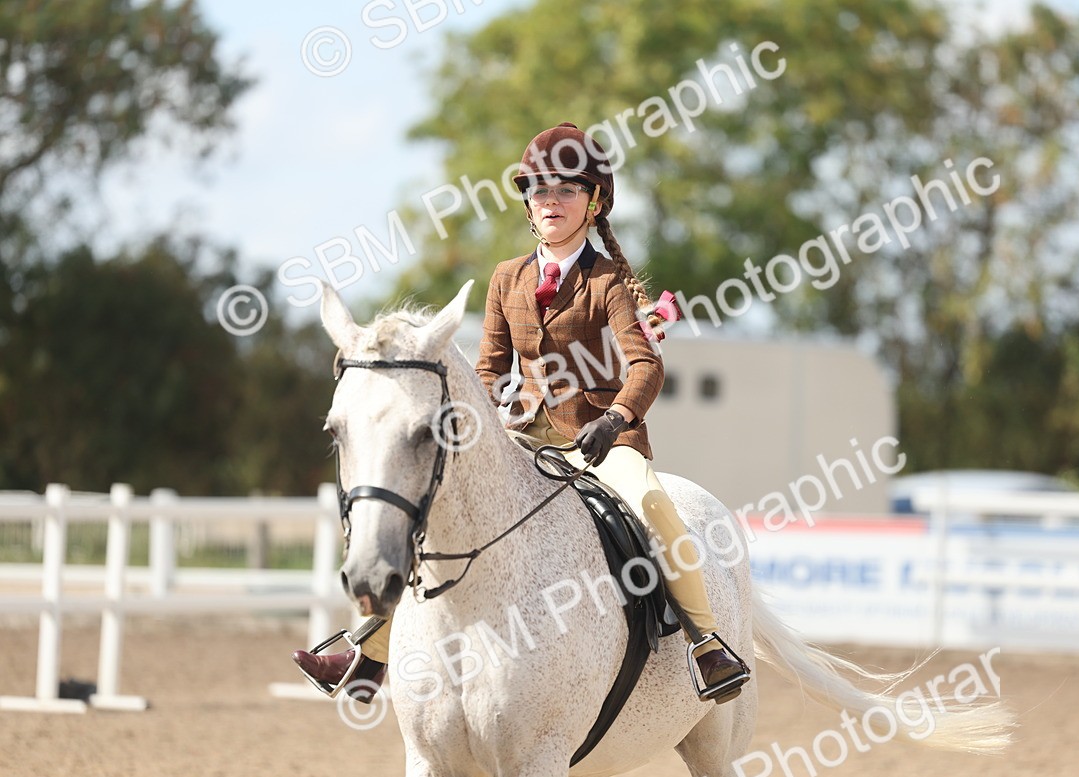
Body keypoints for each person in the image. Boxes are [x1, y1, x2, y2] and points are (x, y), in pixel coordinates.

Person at [294, 122, 750, 704]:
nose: (551, 202)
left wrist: (614, 420)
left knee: (655, 507)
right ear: (528, 204)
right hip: (522, 438)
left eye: (566, 190)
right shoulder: (508, 277)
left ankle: (706, 642)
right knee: (430, 508)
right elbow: (487, 369)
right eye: (539, 191)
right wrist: (490, 415)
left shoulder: (607, 281)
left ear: (594, 201)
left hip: (602, 442)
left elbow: (645, 367)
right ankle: (370, 655)